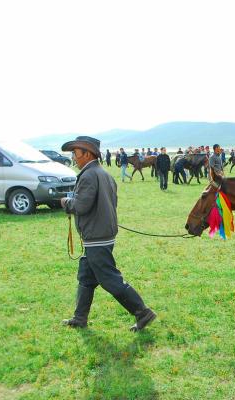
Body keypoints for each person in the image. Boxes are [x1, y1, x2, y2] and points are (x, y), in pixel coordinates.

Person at [60, 136, 156, 331]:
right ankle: (79, 318)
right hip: (101, 235)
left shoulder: (89, 175)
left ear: (87, 154)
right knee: (86, 277)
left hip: (97, 237)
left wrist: (65, 203)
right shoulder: (103, 174)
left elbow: (81, 205)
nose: (74, 157)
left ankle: (143, 312)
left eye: (75, 153)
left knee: (109, 279)